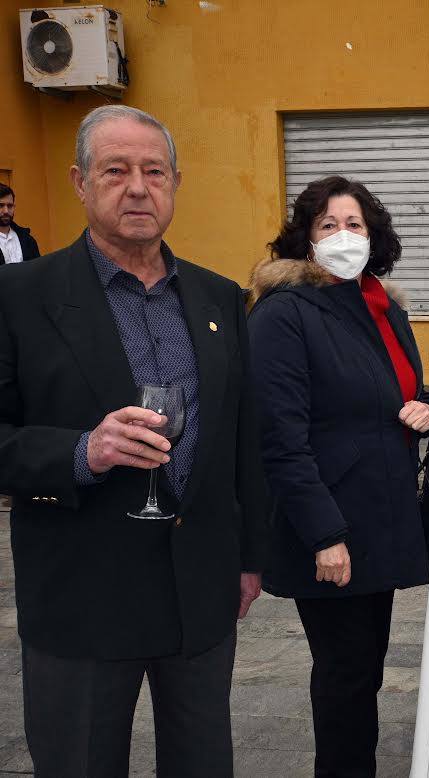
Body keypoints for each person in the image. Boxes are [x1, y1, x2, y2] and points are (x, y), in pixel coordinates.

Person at [0, 105, 268, 776]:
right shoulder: (19, 295)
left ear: (175, 182)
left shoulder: (217, 297)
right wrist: (80, 451)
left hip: (198, 589)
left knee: (203, 762)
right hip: (82, 593)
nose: (138, 187)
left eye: (153, 171)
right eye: (115, 171)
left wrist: (249, 557)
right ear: (79, 183)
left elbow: (242, 439)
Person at [248, 175, 429, 777]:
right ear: (305, 240)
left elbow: (400, 393)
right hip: (334, 526)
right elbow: (279, 437)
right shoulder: (283, 315)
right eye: (328, 225)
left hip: (380, 515)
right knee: (343, 677)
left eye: (355, 224)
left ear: (374, 236)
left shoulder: (381, 306)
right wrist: (323, 534)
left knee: (364, 669)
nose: (343, 235)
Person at [0, 182, 41, 264]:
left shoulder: (27, 239)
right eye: (1, 205)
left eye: (10, 206)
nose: (6, 211)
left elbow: (38, 270)